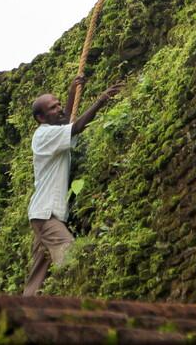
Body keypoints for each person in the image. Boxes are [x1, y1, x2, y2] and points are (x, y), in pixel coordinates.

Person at [22, 77, 124, 297]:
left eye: (58, 104)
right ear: (40, 117)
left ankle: (24, 310)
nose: (59, 109)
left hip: (42, 215)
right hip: (46, 215)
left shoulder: (50, 131)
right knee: (70, 256)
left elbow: (65, 119)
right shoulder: (45, 135)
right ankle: (71, 300)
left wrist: (71, 93)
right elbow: (75, 126)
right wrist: (101, 101)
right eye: (53, 107)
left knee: (38, 274)